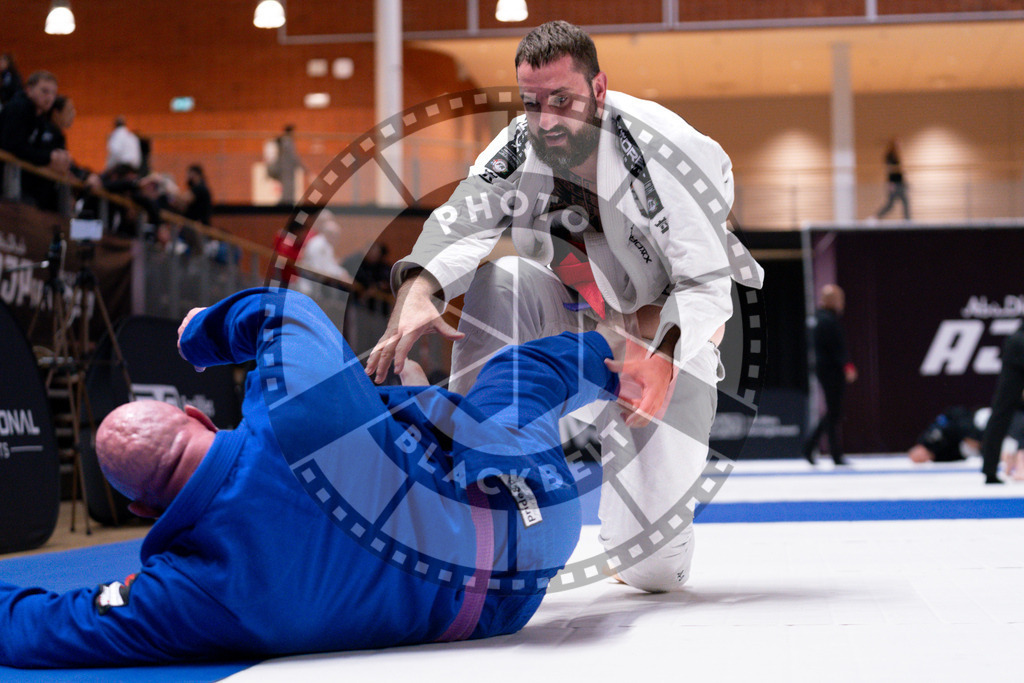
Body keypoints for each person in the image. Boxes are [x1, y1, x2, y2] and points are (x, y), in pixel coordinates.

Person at [0, 287, 623, 667]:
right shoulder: (289, 408)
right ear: (197, 414)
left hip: (505, 601)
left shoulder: (188, 592)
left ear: (143, 512)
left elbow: (42, 630)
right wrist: (200, 334)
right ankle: (631, 360)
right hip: (529, 498)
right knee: (525, 375)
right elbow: (282, 309)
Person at [366, 20, 763, 592]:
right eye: (533, 103)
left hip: (666, 341)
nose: (548, 119)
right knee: (502, 278)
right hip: (577, 322)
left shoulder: (664, 152)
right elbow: (461, 222)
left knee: (650, 570)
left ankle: (638, 524)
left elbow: (705, 287)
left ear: (599, 90)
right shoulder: (519, 147)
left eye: (563, 100)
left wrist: (661, 355)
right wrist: (418, 291)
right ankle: (482, 467)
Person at [803, 284, 856, 466]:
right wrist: (846, 365)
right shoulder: (827, 320)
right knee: (834, 412)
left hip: (825, 369)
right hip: (831, 370)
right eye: (839, 299)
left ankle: (819, 449)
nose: (842, 303)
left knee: (834, 412)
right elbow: (836, 348)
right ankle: (816, 448)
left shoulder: (820, 319)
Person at [980, 328, 1024, 484]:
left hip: (1017, 344)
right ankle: (990, 470)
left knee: (1001, 412)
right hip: (1019, 345)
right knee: (1001, 411)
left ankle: (990, 470)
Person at [875, 138, 909, 219]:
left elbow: (898, 170)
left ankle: (908, 219)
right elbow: (889, 170)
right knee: (890, 205)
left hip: (900, 182)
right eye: (898, 144)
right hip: (895, 183)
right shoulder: (890, 155)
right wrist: (890, 183)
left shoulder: (896, 155)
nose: (900, 145)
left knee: (904, 202)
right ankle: (876, 217)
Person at [274, 123, 305, 204]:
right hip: (286, 169)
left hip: (287, 169)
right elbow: (293, 157)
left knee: (288, 190)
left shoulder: (285, 141)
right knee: (288, 190)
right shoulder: (287, 141)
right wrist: (304, 168)